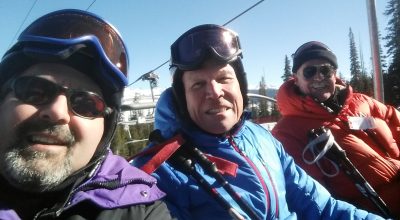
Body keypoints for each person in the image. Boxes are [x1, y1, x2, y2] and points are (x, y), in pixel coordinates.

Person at [132, 24, 384, 220]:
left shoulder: (261, 139)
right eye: (198, 84)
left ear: (240, 87)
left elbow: (321, 207)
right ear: (182, 98)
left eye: (224, 78)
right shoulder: (157, 173)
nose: (215, 92)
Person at [0, 9, 173, 219]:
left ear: (105, 128)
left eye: (86, 104)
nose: (57, 112)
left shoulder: (139, 210)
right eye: (35, 91)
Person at [272, 41, 400, 218]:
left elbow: (394, 119)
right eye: (310, 72)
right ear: (296, 77)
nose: (319, 77)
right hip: (371, 211)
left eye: (326, 70)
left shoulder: (362, 102)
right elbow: (313, 197)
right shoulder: (287, 132)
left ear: (335, 74)